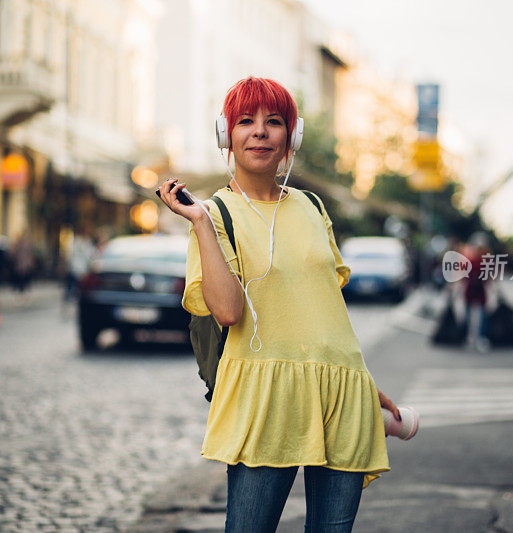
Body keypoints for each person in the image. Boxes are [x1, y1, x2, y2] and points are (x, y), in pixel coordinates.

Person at [157, 77, 397, 532]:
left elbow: (328, 311)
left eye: (274, 122)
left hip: (341, 395)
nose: (261, 131)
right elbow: (227, 312)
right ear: (227, 135)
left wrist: (365, 383)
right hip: (266, 399)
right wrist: (202, 223)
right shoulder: (216, 215)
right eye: (245, 121)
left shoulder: (312, 206)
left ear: (293, 135)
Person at [461, 233, 491, 353]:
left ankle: (471, 337)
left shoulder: (472, 261)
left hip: (473, 290)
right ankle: (479, 338)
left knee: (476, 315)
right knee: (480, 315)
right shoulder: (481, 261)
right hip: (476, 290)